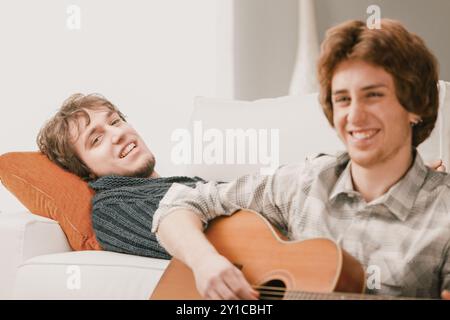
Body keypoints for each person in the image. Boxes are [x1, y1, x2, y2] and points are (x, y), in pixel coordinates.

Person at [152, 19, 450, 300]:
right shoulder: (305, 182)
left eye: (373, 95)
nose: (355, 116)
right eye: (343, 99)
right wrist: (205, 262)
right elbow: (177, 204)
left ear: (416, 108)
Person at [37, 93, 207, 259]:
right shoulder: (109, 208)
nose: (118, 134)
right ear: (85, 170)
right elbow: (172, 219)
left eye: (115, 122)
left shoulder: (180, 184)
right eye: (96, 139)